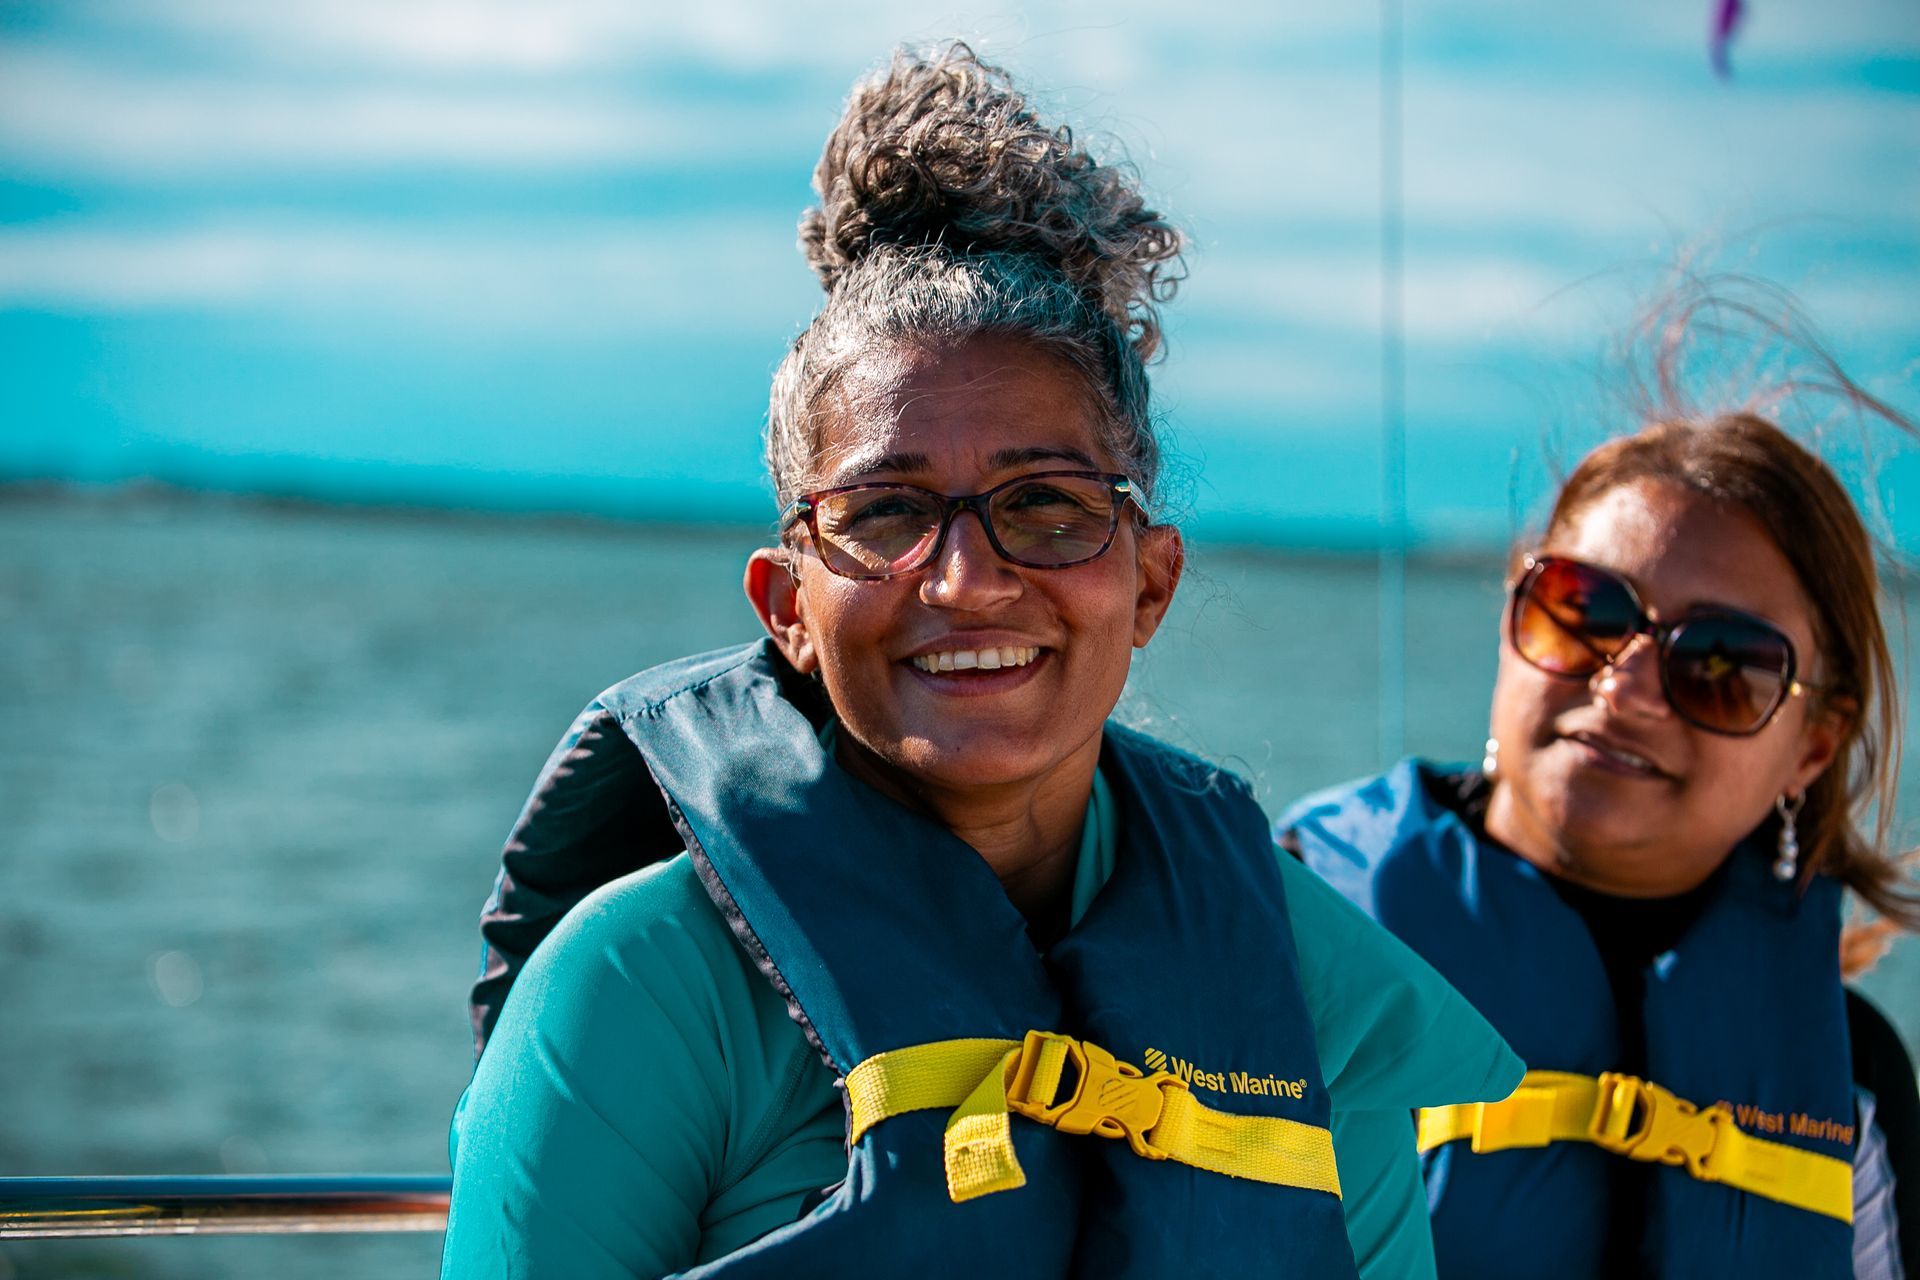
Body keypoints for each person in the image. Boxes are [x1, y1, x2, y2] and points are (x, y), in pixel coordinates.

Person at [439, 43, 1521, 1280]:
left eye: (1049, 505)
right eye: (887, 512)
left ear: (1149, 581)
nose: (965, 578)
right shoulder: (641, 992)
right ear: (788, 603)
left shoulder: (1306, 991)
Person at [1280, 371, 1920, 1278]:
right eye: (1584, 611)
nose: (1623, 687)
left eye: (1722, 662)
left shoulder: (1850, 1080)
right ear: (1513, 616)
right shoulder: (1278, 940)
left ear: (1814, 746)